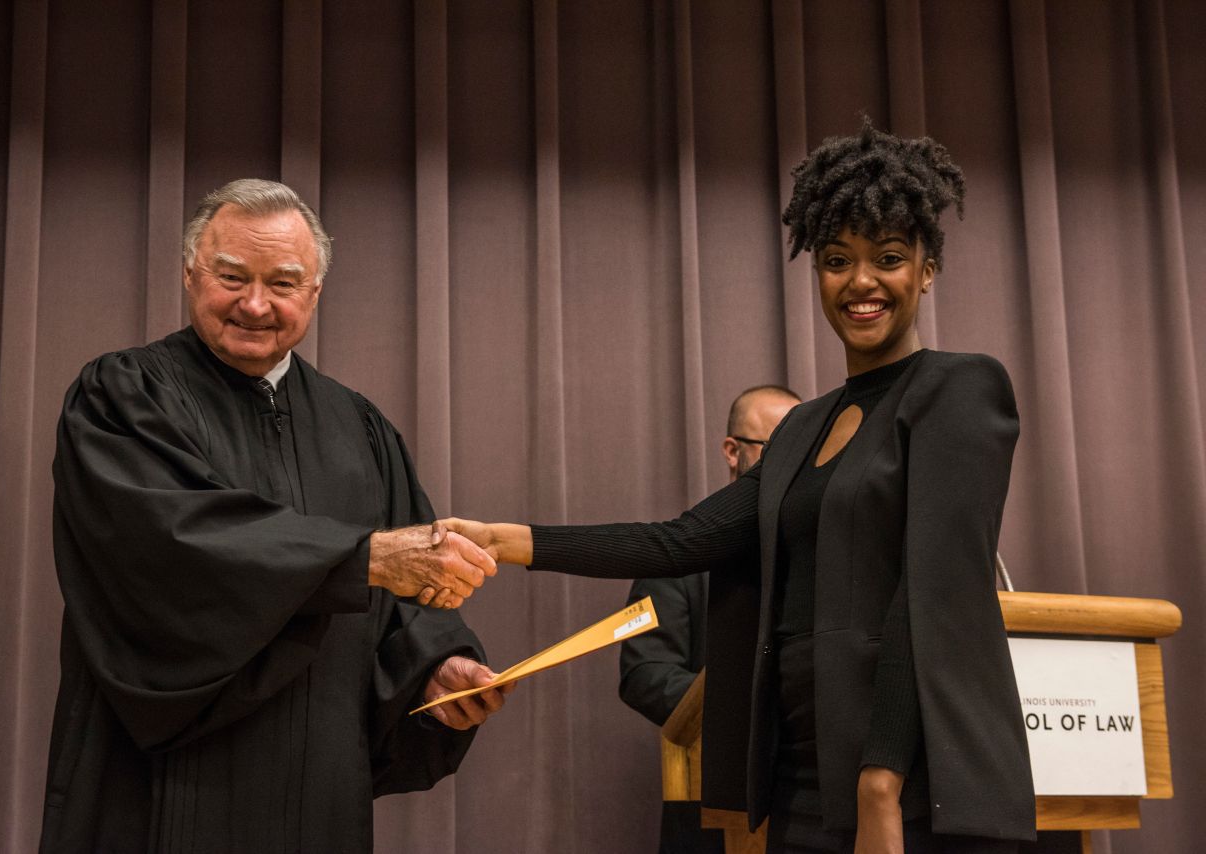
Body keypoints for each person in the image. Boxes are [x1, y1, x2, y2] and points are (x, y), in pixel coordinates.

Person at [435, 120, 1036, 853]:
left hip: (914, 780)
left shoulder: (959, 389)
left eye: (888, 258)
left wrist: (881, 780)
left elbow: (936, 591)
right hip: (801, 778)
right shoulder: (802, 428)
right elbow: (679, 541)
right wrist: (507, 541)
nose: (861, 282)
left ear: (927, 268)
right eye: (837, 260)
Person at [40, 179, 510, 853]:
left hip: (317, 779)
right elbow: (171, 543)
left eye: (283, 284)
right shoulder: (122, 397)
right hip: (158, 782)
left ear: (314, 292)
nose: (255, 304)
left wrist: (435, 668)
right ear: (190, 274)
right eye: (231, 277)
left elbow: (407, 602)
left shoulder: (358, 427)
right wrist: (361, 559)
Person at [620, 386, 800, 854]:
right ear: (732, 451)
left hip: (812, 800)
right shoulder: (680, 554)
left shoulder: (825, 551)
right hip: (710, 803)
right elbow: (645, 673)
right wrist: (748, 709)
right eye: (775, 447)